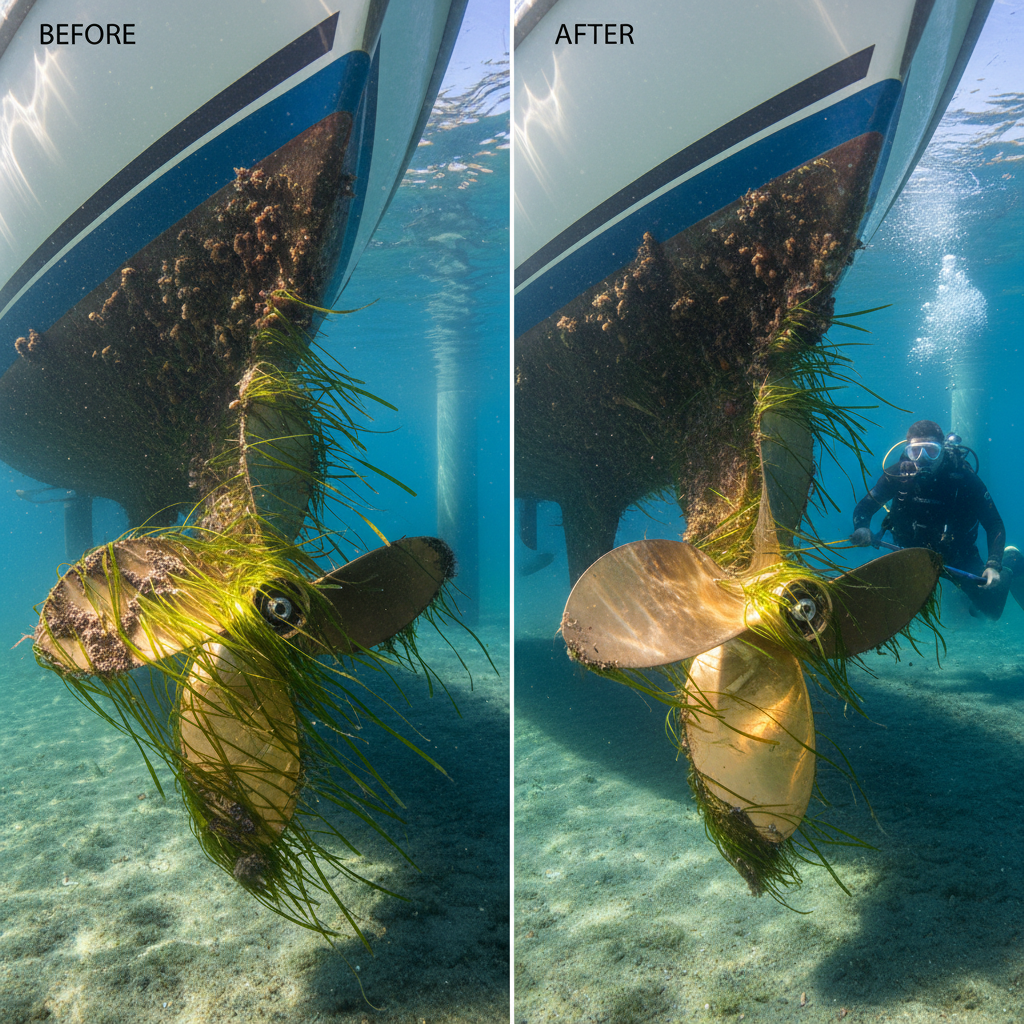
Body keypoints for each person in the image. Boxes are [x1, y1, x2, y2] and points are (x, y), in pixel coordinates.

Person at [851, 419, 1022, 620]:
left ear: (943, 450)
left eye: (931, 451)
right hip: (910, 552)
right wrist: (861, 527)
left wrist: (993, 564)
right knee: (891, 600)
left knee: (991, 608)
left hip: (958, 555)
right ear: (907, 451)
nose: (922, 459)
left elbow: (994, 524)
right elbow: (864, 508)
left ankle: (1012, 560)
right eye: (916, 451)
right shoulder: (898, 474)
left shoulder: (964, 477)